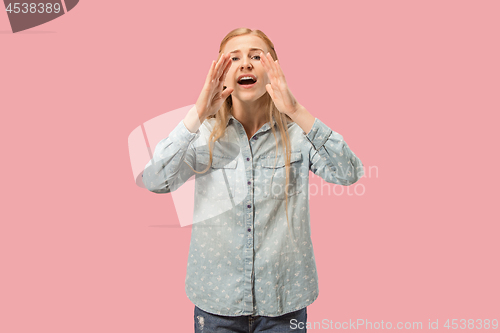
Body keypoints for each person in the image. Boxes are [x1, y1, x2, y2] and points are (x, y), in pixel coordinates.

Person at [143, 27, 364, 333]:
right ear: (221, 72)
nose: (245, 63)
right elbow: (155, 180)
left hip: (284, 301)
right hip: (217, 302)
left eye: (256, 56)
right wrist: (196, 114)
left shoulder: (298, 133)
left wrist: (297, 111)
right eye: (234, 58)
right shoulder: (203, 134)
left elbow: (349, 173)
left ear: (273, 68)